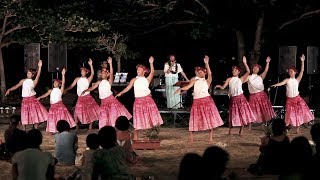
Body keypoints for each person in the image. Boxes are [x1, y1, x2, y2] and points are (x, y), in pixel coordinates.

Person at [175, 55, 224, 142]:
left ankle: (210, 138)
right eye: (199, 72)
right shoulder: (194, 80)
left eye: (202, 72)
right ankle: (191, 138)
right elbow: (187, 87)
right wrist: (180, 88)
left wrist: (207, 64)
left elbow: (210, 73)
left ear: (204, 73)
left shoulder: (207, 81)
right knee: (194, 118)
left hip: (206, 101)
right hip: (197, 101)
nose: (200, 73)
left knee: (209, 119)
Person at [115, 56, 163, 140]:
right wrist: (121, 92)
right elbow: (128, 88)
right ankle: (135, 137)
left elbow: (152, 72)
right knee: (137, 120)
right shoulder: (134, 79)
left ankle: (149, 137)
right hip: (138, 102)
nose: (138, 71)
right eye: (137, 69)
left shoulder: (147, 79)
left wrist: (151, 63)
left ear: (144, 71)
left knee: (148, 119)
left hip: (147, 100)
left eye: (140, 69)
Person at [82, 57, 132, 129]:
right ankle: (104, 130)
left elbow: (111, 73)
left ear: (107, 74)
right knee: (103, 118)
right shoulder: (99, 82)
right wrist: (86, 90)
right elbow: (92, 87)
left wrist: (110, 64)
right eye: (101, 73)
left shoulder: (109, 81)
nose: (102, 74)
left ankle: (116, 130)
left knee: (113, 117)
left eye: (104, 73)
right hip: (103, 102)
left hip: (111, 101)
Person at [271, 54, 314, 134]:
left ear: (295, 72)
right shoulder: (287, 80)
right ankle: (285, 129)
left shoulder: (297, 80)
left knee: (298, 114)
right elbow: (281, 83)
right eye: (289, 71)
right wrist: (275, 85)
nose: (290, 72)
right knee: (288, 115)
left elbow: (302, 71)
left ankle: (297, 129)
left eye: (291, 71)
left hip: (297, 99)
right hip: (290, 101)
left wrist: (302, 61)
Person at [215, 56, 256, 135]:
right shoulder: (229, 79)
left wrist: (245, 63)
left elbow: (248, 71)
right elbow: (223, 87)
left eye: (235, 70)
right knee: (232, 115)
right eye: (233, 70)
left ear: (238, 72)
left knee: (242, 114)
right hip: (233, 99)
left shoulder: (241, 79)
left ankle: (241, 131)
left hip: (241, 98)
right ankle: (230, 131)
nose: (234, 71)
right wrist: (220, 86)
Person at [5, 60, 48, 131]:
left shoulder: (34, 82)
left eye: (29, 73)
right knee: (24, 115)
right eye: (27, 73)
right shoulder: (23, 80)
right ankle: (24, 130)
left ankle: (35, 129)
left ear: (33, 75)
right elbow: (16, 86)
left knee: (35, 114)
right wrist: (9, 89)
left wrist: (39, 67)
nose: (28, 74)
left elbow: (38, 75)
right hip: (25, 100)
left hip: (32, 99)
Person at [64, 58, 99, 132]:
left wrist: (91, 65)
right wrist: (66, 89)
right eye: (81, 71)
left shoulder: (88, 79)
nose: (82, 72)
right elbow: (71, 86)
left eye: (83, 71)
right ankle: (77, 127)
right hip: (80, 98)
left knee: (89, 111)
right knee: (77, 111)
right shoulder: (77, 79)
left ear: (86, 72)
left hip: (87, 97)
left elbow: (92, 73)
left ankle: (90, 127)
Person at [37, 68, 76, 133]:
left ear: (59, 84)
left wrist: (63, 75)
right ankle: (53, 129)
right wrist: (40, 97)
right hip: (53, 106)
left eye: (56, 82)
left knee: (61, 117)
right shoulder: (50, 90)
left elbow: (63, 83)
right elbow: (45, 94)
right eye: (54, 82)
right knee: (53, 118)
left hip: (60, 106)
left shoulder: (61, 90)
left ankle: (63, 129)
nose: (54, 83)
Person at [245, 56, 275, 125]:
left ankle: (265, 123)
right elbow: (242, 81)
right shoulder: (249, 77)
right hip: (253, 96)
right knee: (252, 110)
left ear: (259, 70)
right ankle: (250, 125)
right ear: (252, 69)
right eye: (254, 67)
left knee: (263, 109)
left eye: (257, 68)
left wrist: (267, 62)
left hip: (262, 95)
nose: (255, 69)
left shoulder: (260, 76)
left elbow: (266, 70)